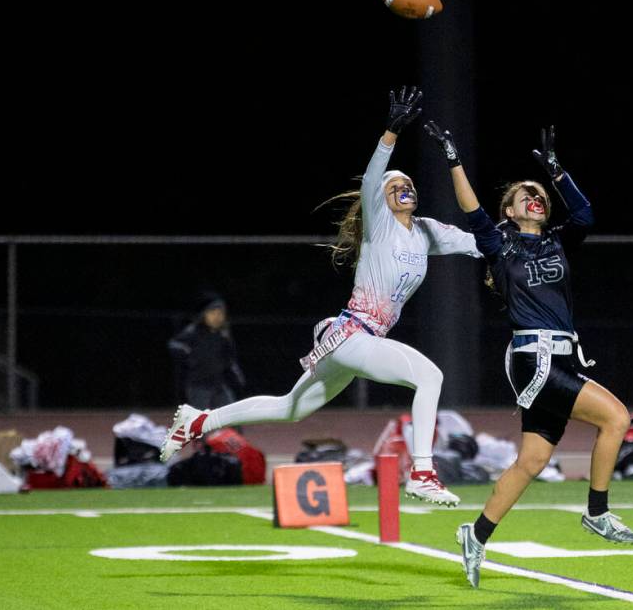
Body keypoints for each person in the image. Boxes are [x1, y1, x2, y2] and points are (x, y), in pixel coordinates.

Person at [160, 87, 482, 506]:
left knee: (289, 408)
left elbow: (479, 242)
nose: (405, 187)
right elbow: (371, 179)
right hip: (353, 333)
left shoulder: (425, 231)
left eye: (409, 183)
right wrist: (390, 134)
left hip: (351, 339)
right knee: (430, 376)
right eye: (397, 184)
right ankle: (422, 472)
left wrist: (521, 241)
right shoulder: (380, 224)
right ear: (383, 200)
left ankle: (199, 420)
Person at [424, 121, 633, 587]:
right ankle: (597, 513)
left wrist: (557, 174)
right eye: (525, 194)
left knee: (532, 462)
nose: (534, 197)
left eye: (538, 194)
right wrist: (453, 158)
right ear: (508, 210)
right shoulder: (500, 243)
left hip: (561, 355)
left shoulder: (558, 239)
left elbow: (584, 215)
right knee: (617, 418)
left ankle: (475, 535)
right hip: (534, 356)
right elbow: (472, 209)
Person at [167, 291, 246, 411]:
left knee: (232, 416)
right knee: (199, 421)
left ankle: (233, 431)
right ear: (204, 315)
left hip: (218, 384)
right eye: (213, 313)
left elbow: (230, 358)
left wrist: (236, 373)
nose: (217, 317)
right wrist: (187, 353)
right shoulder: (194, 331)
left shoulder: (223, 335)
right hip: (198, 385)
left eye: (220, 313)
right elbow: (174, 344)